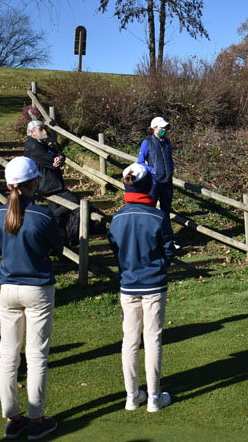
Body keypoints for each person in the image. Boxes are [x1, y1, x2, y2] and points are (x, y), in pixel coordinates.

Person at [0, 156, 63, 440]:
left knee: (8, 357)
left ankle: (13, 418)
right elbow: (57, 248)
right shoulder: (43, 215)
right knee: (35, 357)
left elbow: (1, 247)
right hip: (37, 288)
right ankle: (35, 421)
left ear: (10, 184)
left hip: (8, 288)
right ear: (33, 182)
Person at [107, 163, 175, 413]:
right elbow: (168, 248)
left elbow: (115, 248)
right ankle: (154, 396)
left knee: (130, 341)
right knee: (153, 338)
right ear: (149, 186)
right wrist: (159, 266)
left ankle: (132, 396)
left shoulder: (117, 217)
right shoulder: (158, 217)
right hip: (154, 284)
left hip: (129, 284)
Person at [23, 120, 78, 231]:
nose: (44, 131)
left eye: (44, 128)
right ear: (32, 132)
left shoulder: (42, 142)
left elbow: (58, 152)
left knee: (58, 217)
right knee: (75, 203)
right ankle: (49, 220)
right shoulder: (33, 146)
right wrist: (58, 159)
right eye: (41, 129)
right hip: (48, 185)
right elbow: (53, 163)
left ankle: (61, 241)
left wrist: (61, 157)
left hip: (52, 183)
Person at [137, 117, 174, 217]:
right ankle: (151, 231)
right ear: (154, 127)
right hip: (154, 182)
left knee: (166, 211)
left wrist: (171, 169)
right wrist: (153, 170)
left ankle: (165, 231)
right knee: (151, 210)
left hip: (168, 182)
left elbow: (170, 158)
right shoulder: (147, 143)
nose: (164, 130)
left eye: (165, 128)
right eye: (162, 127)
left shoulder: (167, 142)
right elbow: (140, 162)